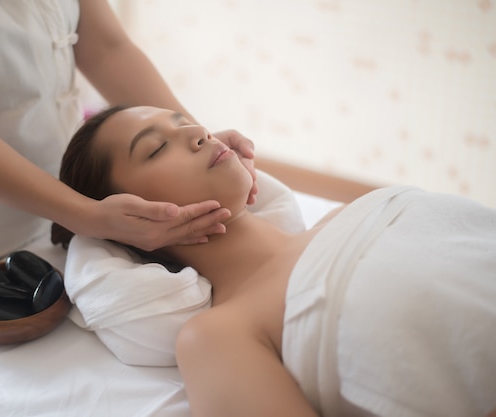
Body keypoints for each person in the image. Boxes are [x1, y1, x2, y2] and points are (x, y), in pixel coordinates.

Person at [51, 105, 496, 417]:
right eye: (154, 148)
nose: (198, 133)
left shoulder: (349, 213)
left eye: (184, 121)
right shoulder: (216, 338)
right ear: (128, 217)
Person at [0, 0, 257, 330]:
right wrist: (86, 215)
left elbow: (108, 48)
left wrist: (203, 137)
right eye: (155, 149)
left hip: (70, 193)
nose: (199, 138)